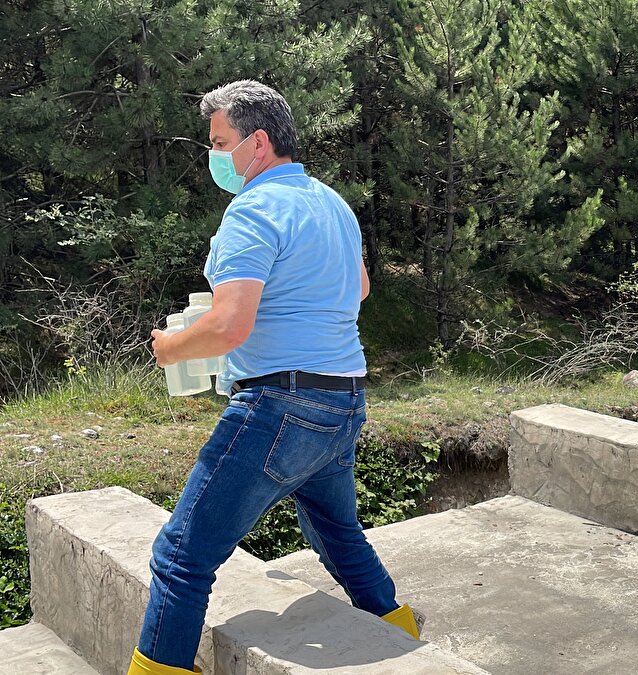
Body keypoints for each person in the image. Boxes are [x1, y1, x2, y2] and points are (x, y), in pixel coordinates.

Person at [128, 80, 422, 675]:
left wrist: (173, 347)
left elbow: (230, 324)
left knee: (181, 555)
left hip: (277, 406)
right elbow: (360, 288)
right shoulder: (331, 203)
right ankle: (403, 638)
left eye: (218, 143)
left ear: (257, 143)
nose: (212, 157)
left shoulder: (253, 208)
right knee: (339, 535)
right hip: (343, 402)